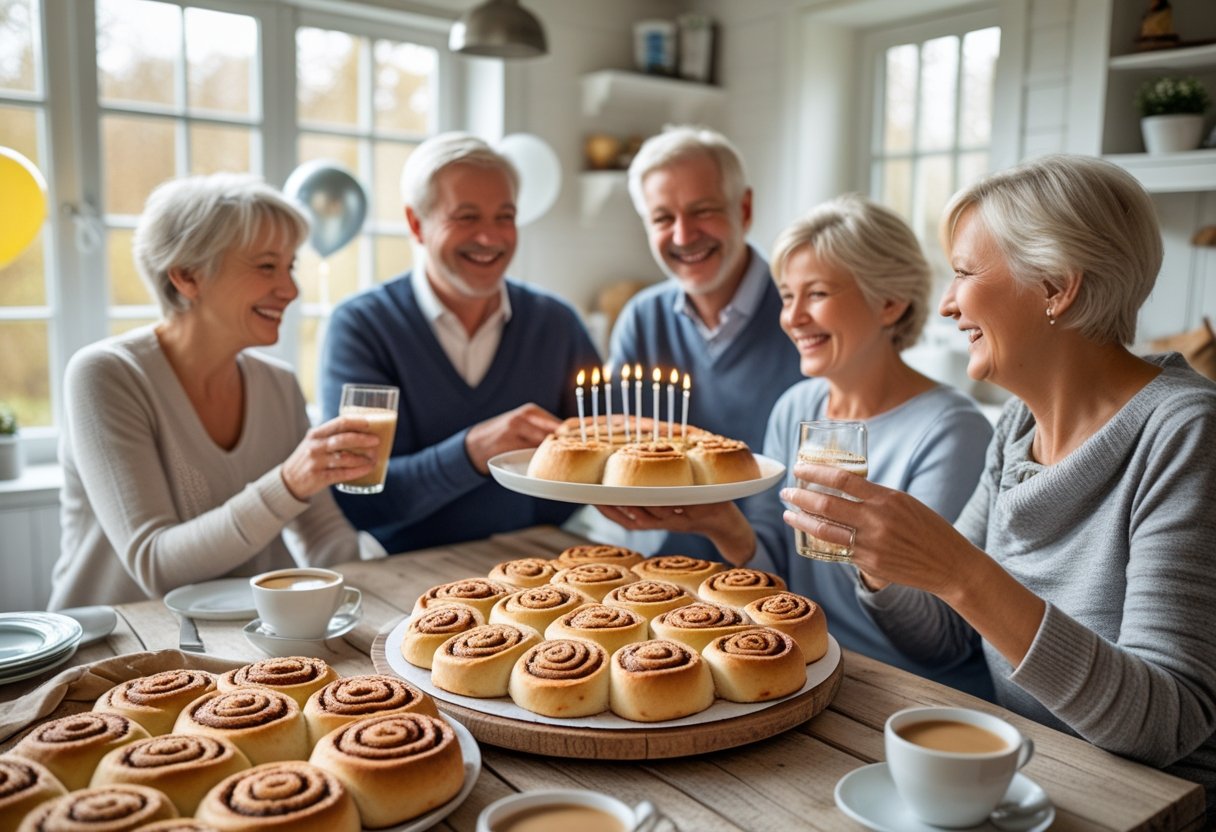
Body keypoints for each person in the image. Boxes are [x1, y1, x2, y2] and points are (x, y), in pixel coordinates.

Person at [784, 155, 1216, 815]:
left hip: (1145, 807)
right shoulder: (1019, 426)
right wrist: (877, 562)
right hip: (1020, 778)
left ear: (1055, 287)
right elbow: (948, 636)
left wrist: (959, 571)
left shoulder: (1185, 431)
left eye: (962, 273)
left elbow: (1163, 724)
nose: (949, 304)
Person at [604, 194, 995, 696]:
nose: (793, 317)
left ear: (889, 302)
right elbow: (777, 581)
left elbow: (938, 643)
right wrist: (727, 526)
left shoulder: (950, 430)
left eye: (816, 294)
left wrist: (871, 553)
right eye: (787, 296)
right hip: (809, 667)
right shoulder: (797, 406)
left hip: (912, 691)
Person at [51, 174, 380, 610]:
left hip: (246, 644)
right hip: (118, 645)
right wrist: (288, 483)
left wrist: (392, 586)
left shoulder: (278, 385)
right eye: (267, 266)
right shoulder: (107, 374)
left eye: (290, 265)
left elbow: (322, 536)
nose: (291, 289)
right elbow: (156, 565)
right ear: (187, 277)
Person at [320, 133, 600, 554]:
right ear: (416, 224)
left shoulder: (556, 324)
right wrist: (473, 451)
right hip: (409, 571)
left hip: (540, 562)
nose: (490, 237)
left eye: (504, 216)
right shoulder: (363, 326)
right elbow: (361, 500)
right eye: (466, 217)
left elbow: (597, 462)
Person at [602, 126, 803, 558]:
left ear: (744, 209)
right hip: (662, 570)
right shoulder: (643, 317)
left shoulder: (801, 317)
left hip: (780, 577)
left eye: (703, 210)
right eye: (662, 218)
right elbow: (614, 450)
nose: (683, 235)